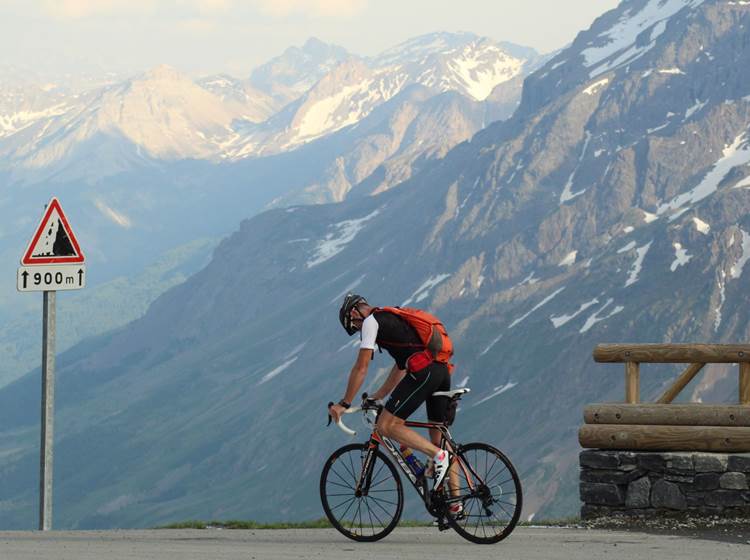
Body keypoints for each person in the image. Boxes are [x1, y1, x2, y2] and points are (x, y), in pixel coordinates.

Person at [329, 293, 455, 493]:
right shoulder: (392, 319)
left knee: (386, 425)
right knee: (439, 439)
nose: (358, 329)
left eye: (354, 325)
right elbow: (401, 368)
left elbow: (361, 367)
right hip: (441, 371)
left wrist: (344, 403)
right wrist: (376, 396)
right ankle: (456, 506)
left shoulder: (371, 322)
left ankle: (439, 457)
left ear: (355, 312)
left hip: (424, 372)